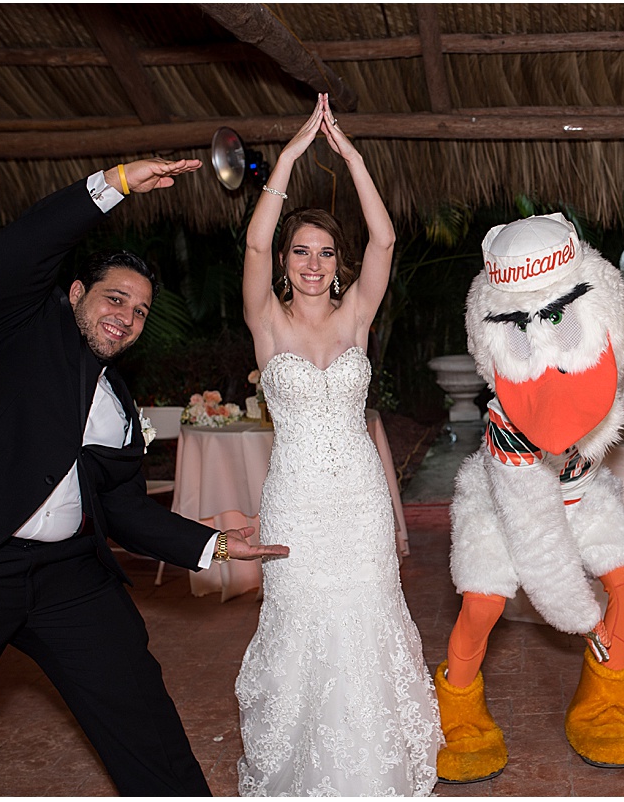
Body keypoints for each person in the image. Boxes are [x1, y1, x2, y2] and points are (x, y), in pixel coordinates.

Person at [0, 158, 289, 795]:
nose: (127, 319)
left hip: (69, 578)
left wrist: (214, 545)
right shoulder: (16, 329)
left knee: (144, 720)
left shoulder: (115, 403)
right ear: (77, 293)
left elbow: (126, 510)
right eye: (116, 299)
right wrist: (114, 185)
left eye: (139, 312)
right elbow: (24, 244)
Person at [235, 93, 441, 795]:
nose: (313, 264)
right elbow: (255, 242)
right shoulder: (266, 323)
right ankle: (301, 772)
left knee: (367, 620)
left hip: (356, 503)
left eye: (325, 253)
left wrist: (350, 156)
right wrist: (291, 155)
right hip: (296, 499)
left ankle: (371, 772)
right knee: (301, 624)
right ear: (286, 262)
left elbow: (384, 241)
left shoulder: (356, 316)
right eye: (302, 252)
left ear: (338, 263)